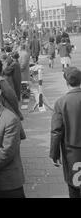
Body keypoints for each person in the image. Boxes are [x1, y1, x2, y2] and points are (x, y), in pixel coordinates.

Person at [50, 67, 81, 198]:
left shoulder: (61, 102)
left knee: (75, 186)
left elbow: (56, 131)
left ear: (67, 83)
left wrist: (54, 154)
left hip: (72, 153)